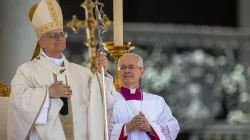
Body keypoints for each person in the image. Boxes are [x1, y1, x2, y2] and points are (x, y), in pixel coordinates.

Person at [7, 0, 115, 140]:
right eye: (53, 35)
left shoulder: (82, 73)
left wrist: (102, 74)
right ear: (41, 42)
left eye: (62, 34)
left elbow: (102, 101)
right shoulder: (26, 71)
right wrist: (47, 93)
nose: (59, 39)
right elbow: (17, 103)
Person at [108, 53, 180, 140]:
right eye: (123, 67)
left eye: (131, 67)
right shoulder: (110, 101)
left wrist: (150, 128)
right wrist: (126, 128)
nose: (127, 71)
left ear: (142, 72)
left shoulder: (157, 101)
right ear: (118, 73)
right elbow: (101, 130)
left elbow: (173, 127)